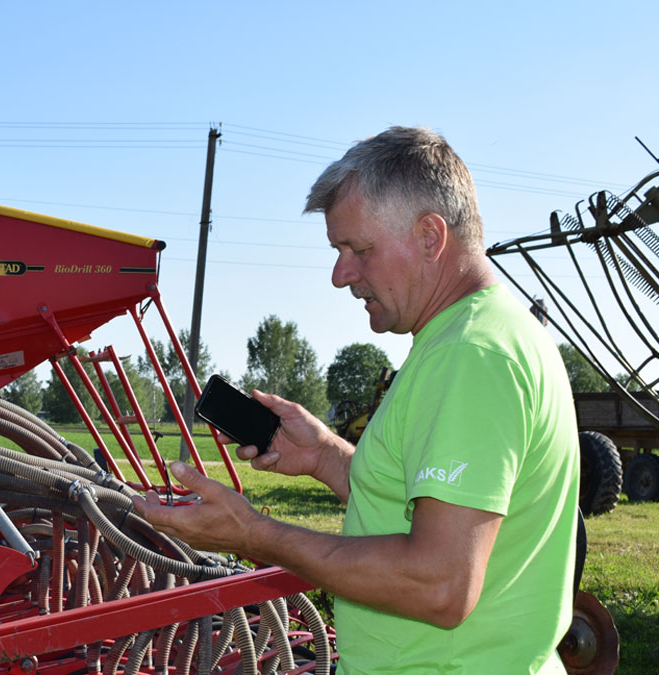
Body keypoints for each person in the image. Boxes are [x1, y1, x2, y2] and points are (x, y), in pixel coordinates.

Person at [133, 126, 579, 674]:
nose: (341, 275)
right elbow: (427, 505)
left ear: (430, 237)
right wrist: (325, 455)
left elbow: (440, 583)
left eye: (359, 250)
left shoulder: (471, 355)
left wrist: (255, 534)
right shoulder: (480, 334)